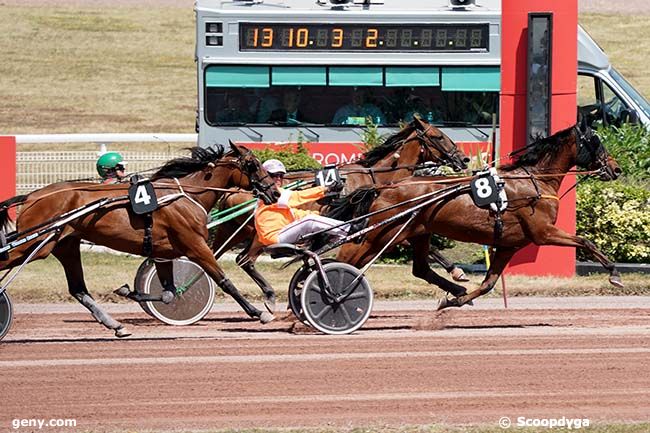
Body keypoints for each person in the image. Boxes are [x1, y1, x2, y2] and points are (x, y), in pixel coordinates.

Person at [254, 159, 348, 246]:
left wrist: (323, 215)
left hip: (279, 234)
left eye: (281, 175)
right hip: (274, 237)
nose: (278, 178)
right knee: (310, 221)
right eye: (274, 175)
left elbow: (295, 214)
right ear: (265, 176)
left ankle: (338, 234)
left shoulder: (279, 201)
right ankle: (348, 229)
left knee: (311, 218)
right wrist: (326, 189)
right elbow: (298, 197)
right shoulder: (270, 194)